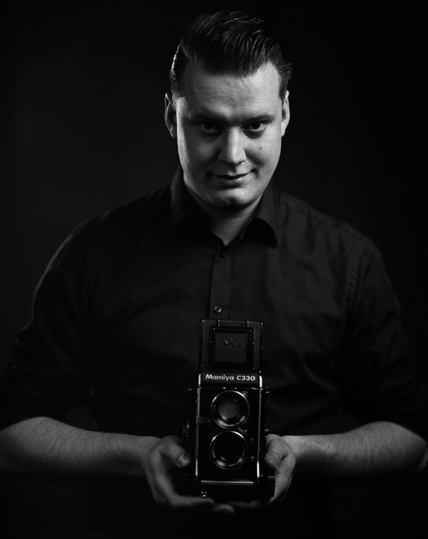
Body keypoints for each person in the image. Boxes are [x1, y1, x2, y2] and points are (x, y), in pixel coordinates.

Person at [0, 10, 427, 539]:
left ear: (285, 114)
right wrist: (139, 456)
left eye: (255, 126)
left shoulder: (349, 260)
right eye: (208, 125)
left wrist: (299, 453)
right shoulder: (93, 253)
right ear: (169, 116)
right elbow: (12, 432)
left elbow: (411, 440)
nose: (232, 155)